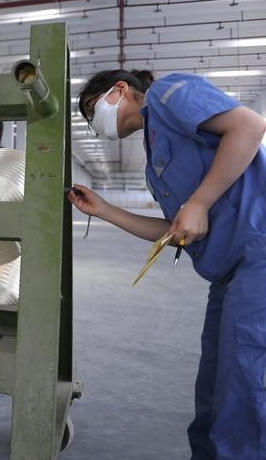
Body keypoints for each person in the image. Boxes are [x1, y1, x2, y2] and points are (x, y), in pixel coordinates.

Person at [68, 69, 266, 459]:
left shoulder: (167, 94)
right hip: (227, 276)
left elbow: (249, 125)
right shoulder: (154, 157)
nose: (95, 124)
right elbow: (175, 230)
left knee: (244, 388)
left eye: (93, 109)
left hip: (258, 256)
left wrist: (199, 203)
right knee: (213, 388)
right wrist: (106, 210)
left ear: (121, 90)